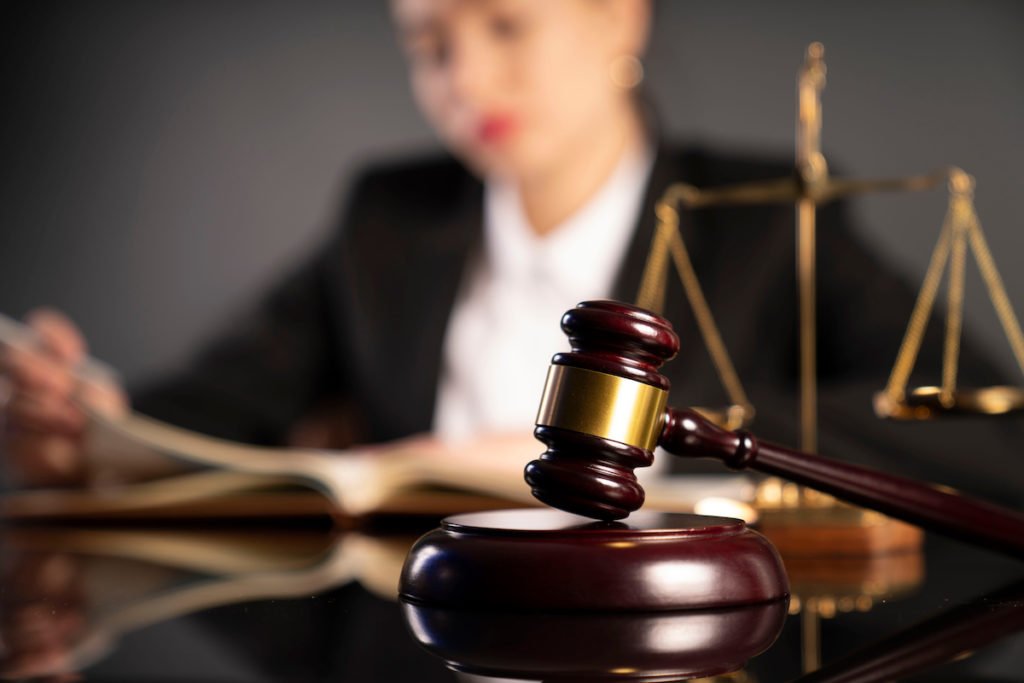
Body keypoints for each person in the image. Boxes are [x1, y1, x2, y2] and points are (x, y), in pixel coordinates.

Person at [2, 0, 1021, 504]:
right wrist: (93, 423)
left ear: (619, 14)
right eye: (428, 45)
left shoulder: (766, 215)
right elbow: (218, 407)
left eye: (505, 24)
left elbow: (991, 427)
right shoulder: (387, 217)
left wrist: (647, 435)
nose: (466, 82)